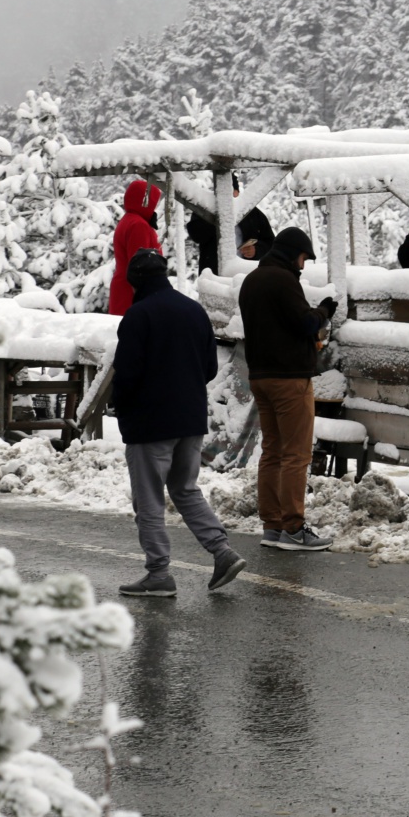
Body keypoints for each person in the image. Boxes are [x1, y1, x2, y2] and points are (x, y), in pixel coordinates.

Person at [113, 249, 247, 597]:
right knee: (185, 489)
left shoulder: (137, 316)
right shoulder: (194, 311)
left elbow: (126, 374)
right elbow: (210, 369)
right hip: (190, 419)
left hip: (150, 423)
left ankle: (158, 574)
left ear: (136, 282)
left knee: (149, 500)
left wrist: (123, 410)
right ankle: (222, 553)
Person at [240, 226, 338, 551]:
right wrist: (324, 311)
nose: (303, 265)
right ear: (292, 252)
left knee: (272, 451)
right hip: (289, 379)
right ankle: (294, 528)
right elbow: (305, 323)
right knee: (296, 454)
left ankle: (272, 526)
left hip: (260, 377)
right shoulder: (283, 280)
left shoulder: (252, 280)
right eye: (303, 258)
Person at [109, 179, 162, 316]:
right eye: (153, 203)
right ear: (145, 202)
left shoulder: (129, 220)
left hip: (126, 290)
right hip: (132, 294)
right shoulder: (138, 225)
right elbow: (141, 266)